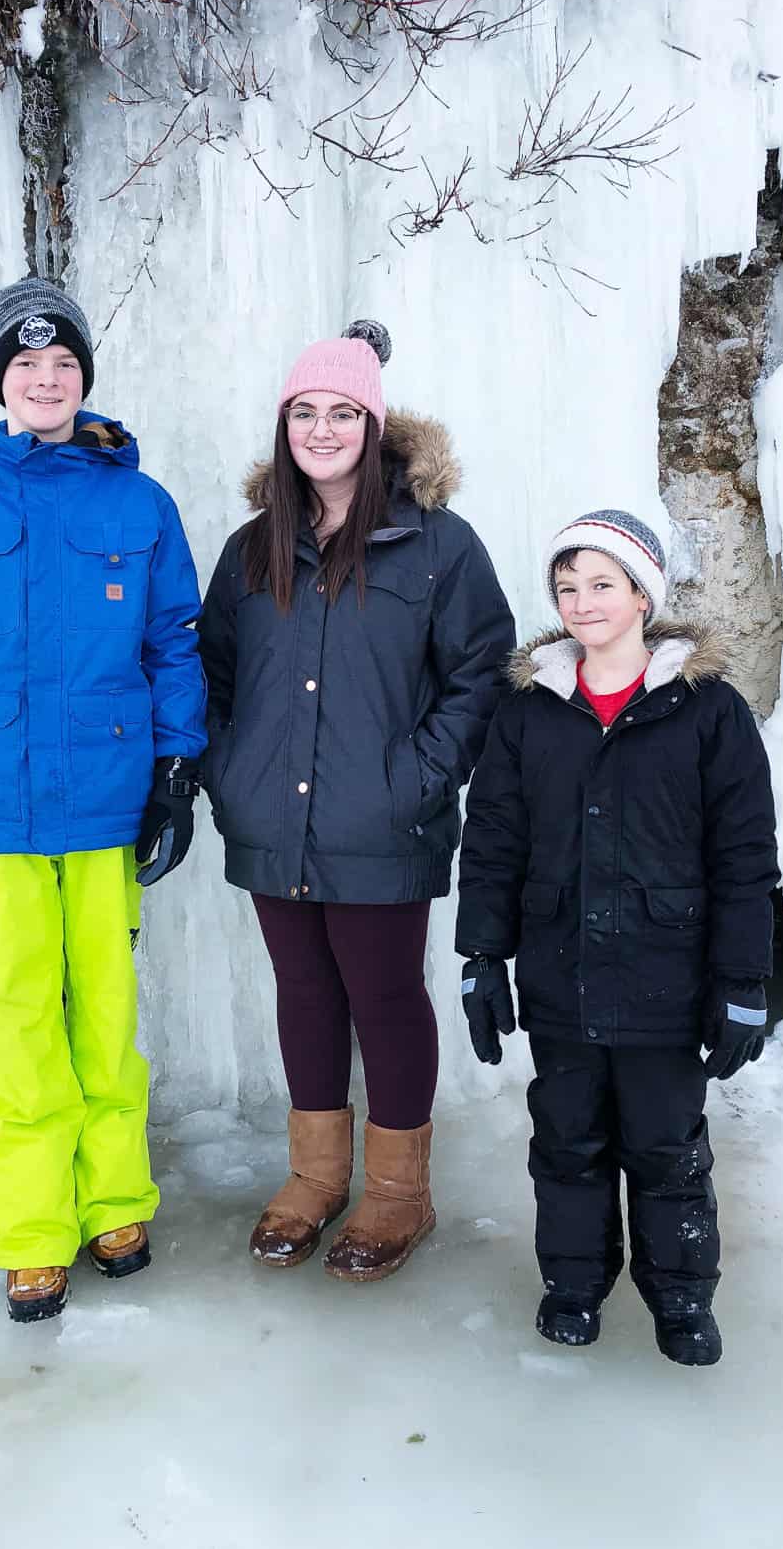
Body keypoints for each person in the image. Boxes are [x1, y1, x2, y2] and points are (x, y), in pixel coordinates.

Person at [0, 277, 206, 1323]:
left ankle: (114, 1199)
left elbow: (171, 648)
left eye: (62, 363)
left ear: (82, 379)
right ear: (0, 381)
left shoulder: (139, 504)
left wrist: (175, 775)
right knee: (19, 1020)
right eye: (25, 366)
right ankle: (31, 1231)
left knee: (106, 1017)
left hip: (109, 804)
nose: (45, 379)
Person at [197, 323, 514, 1282]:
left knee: (383, 998)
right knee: (305, 995)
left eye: (343, 412)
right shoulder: (254, 550)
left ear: (374, 427)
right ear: (284, 425)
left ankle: (397, 1191)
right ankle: (317, 1175)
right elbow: (208, 675)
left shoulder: (437, 546)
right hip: (271, 819)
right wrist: (229, 770)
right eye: (306, 412)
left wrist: (417, 778)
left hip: (384, 820)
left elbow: (480, 674)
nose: (322, 428)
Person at [456, 509, 778, 1365]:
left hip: (665, 981)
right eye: (568, 586)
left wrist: (745, 980)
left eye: (603, 583)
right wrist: (481, 957)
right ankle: (573, 1285)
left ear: (643, 595)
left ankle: (680, 1296)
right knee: (566, 1140)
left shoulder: (709, 713)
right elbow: (491, 837)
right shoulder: (530, 712)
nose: (583, 601)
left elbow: (744, 855)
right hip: (560, 974)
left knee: (667, 1147)